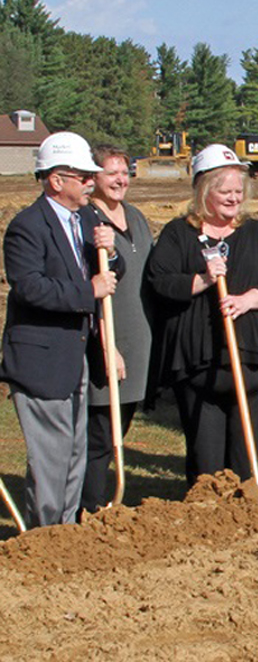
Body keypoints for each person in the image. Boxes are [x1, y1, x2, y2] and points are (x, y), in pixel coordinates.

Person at [147, 145, 258, 485]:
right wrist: (201, 279)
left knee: (251, 462)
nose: (234, 199)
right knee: (206, 462)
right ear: (203, 191)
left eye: (238, 191)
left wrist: (248, 301)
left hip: (253, 363)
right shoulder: (178, 233)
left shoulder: (256, 233)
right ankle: (208, 521)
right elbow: (160, 280)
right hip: (200, 365)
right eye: (225, 191)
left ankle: (251, 517)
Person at [0, 131, 120, 527]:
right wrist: (89, 290)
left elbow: (108, 274)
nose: (92, 183)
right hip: (41, 359)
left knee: (73, 453)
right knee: (50, 457)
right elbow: (30, 287)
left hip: (75, 356)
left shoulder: (86, 218)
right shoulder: (27, 226)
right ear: (56, 180)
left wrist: (111, 252)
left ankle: (66, 533)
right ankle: (46, 536)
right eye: (84, 176)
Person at [80, 144, 155, 513]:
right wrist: (108, 343)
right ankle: (88, 507)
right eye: (111, 173)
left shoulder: (136, 217)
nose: (120, 180)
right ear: (92, 177)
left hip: (138, 339)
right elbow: (89, 290)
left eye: (124, 173)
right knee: (99, 435)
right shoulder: (87, 220)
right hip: (108, 341)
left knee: (116, 432)